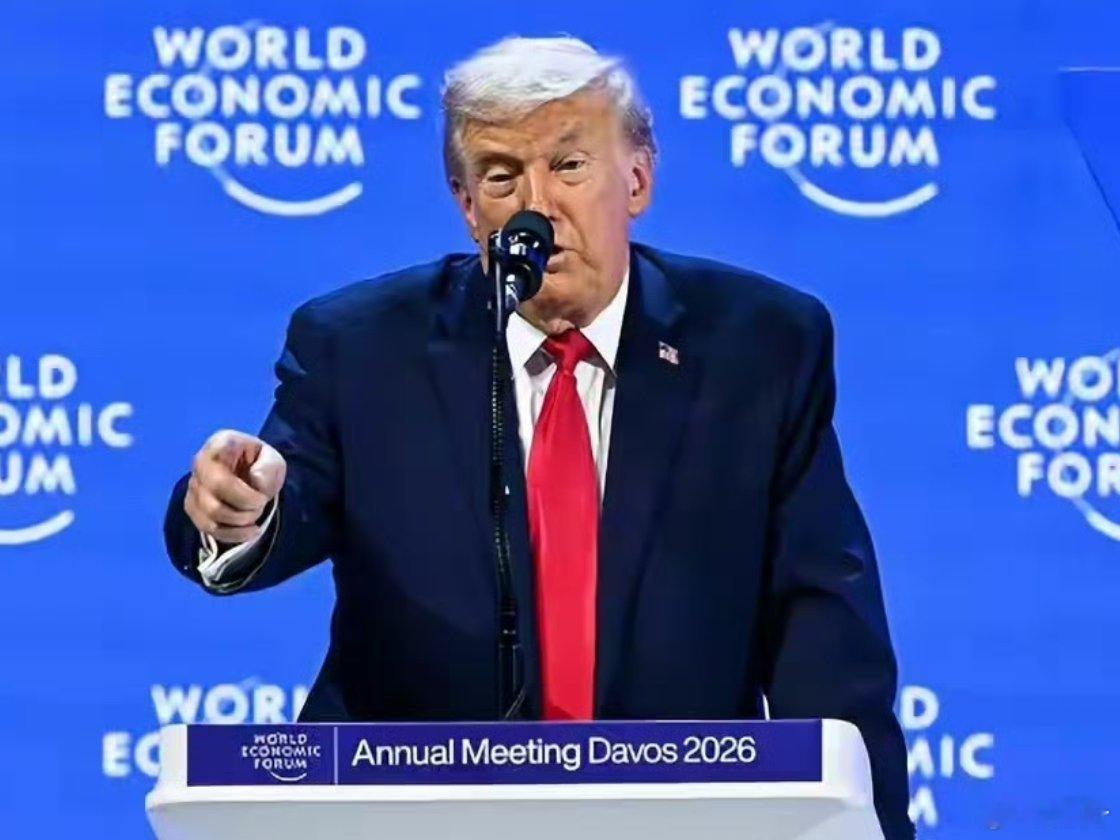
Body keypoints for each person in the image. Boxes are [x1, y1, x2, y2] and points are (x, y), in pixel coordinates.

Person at [163, 36, 914, 838]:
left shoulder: (756, 345)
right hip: (412, 816)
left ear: (637, 179)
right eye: (501, 177)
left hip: (679, 814)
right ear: (467, 206)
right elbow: (283, 505)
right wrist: (236, 513)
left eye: (569, 166)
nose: (538, 208)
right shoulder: (363, 347)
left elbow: (823, 632)